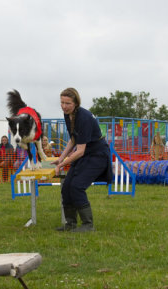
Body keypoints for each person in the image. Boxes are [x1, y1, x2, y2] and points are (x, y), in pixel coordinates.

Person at [51, 88, 112, 233]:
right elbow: (73, 140)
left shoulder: (83, 117)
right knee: (66, 187)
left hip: (97, 155)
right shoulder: (68, 115)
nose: (64, 106)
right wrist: (60, 158)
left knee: (77, 186)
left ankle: (88, 225)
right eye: (62, 103)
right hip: (85, 153)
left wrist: (62, 164)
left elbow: (80, 151)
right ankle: (70, 223)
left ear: (76, 103)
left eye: (68, 103)